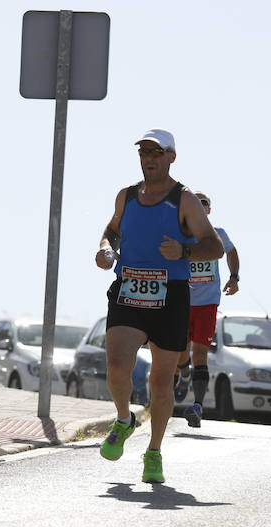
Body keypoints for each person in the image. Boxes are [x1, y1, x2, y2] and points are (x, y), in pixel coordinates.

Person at [95, 128, 224, 484]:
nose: (149, 159)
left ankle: (153, 451)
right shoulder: (127, 196)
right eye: (144, 153)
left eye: (156, 152)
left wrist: (183, 251)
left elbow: (214, 247)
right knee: (118, 364)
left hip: (171, 296)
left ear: (171, 157)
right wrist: (107, 248)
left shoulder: (184, 200)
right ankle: (124, 420)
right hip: (129, 289)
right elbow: (112, 229)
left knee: (161, 381)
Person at [174, 192, 239, 427]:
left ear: (209, 210)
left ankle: (197, 406)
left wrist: (234, 277)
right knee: (181, 352)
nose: (200, 208)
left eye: (204, 204)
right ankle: (183, 374)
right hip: (182, 301)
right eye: (196, 204)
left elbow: (231, 251)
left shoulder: (217, 234)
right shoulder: (179, 234)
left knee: (200, 354)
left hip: (208, 304)